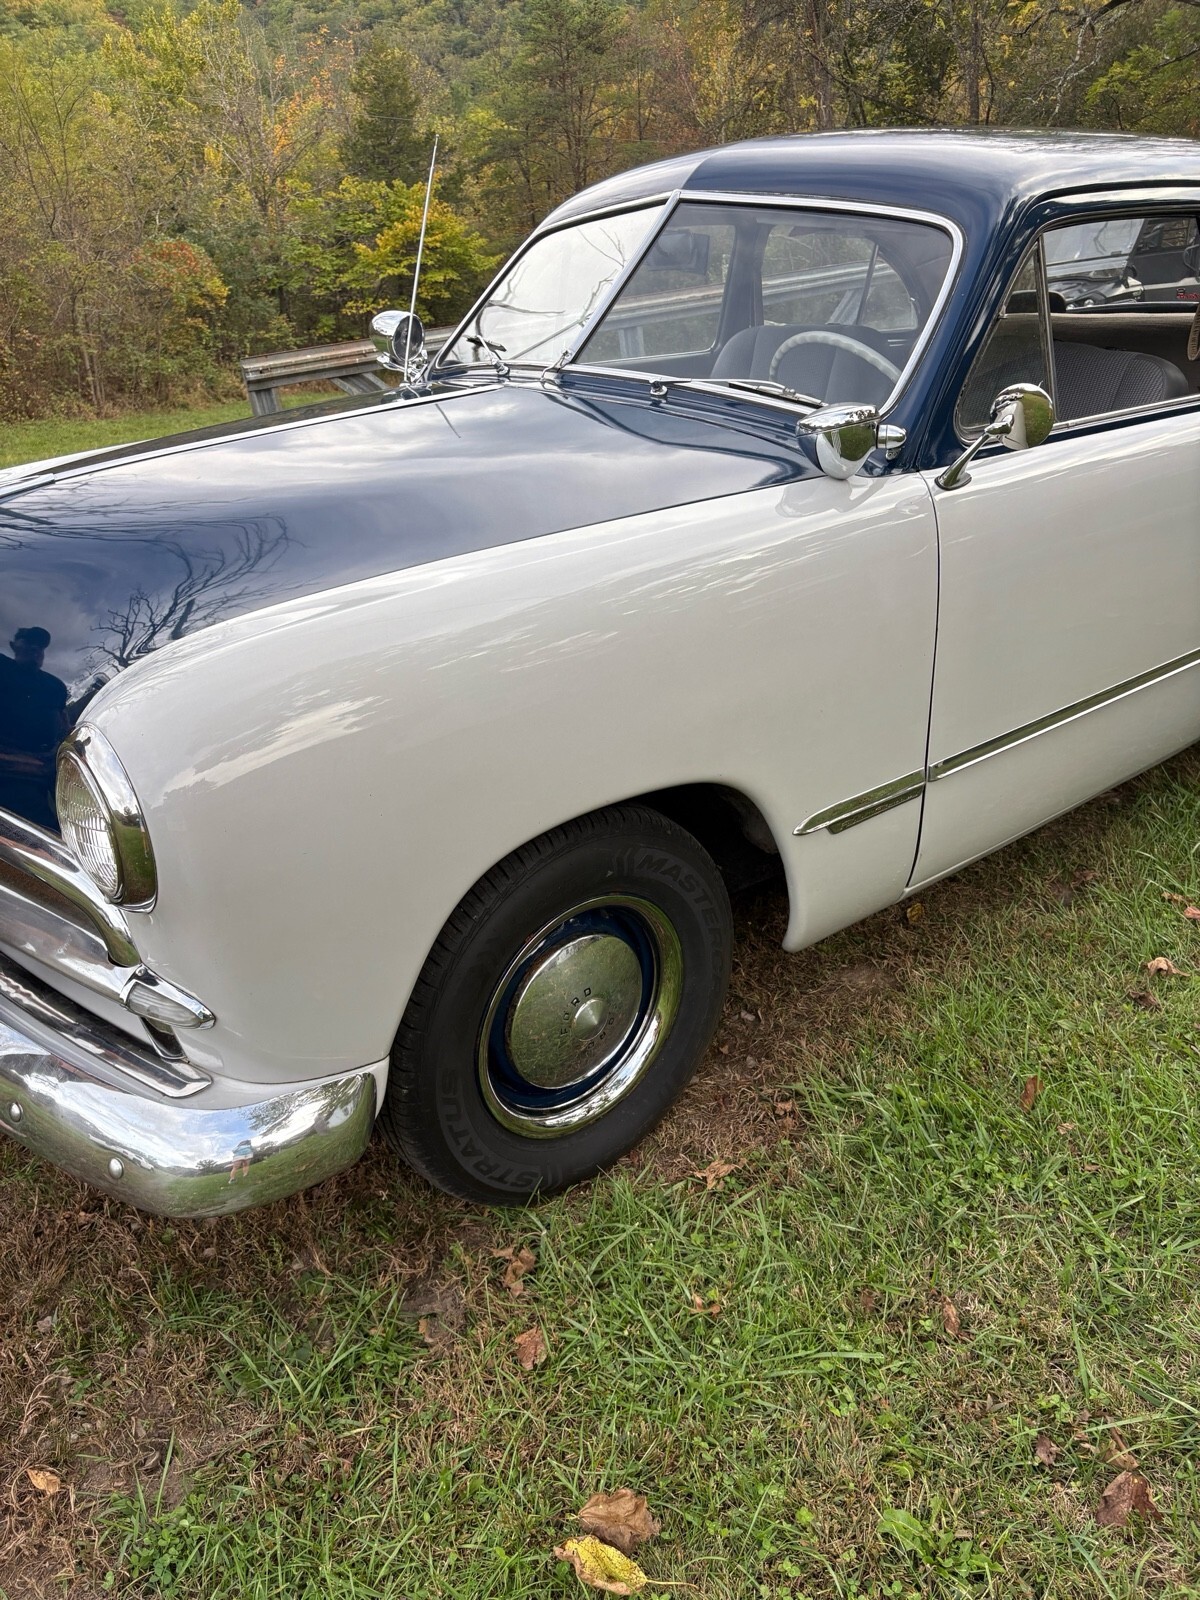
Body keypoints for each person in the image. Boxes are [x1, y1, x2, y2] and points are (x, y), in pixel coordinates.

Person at [0, 627, 69, 830]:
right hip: (12, 772)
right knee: (42, 832)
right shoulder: (3, 668)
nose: (35, 649)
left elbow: (64, 722)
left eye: (40, 646)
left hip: (54, 764)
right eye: (28, 642)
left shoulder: (55, 685)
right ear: (13, 645)